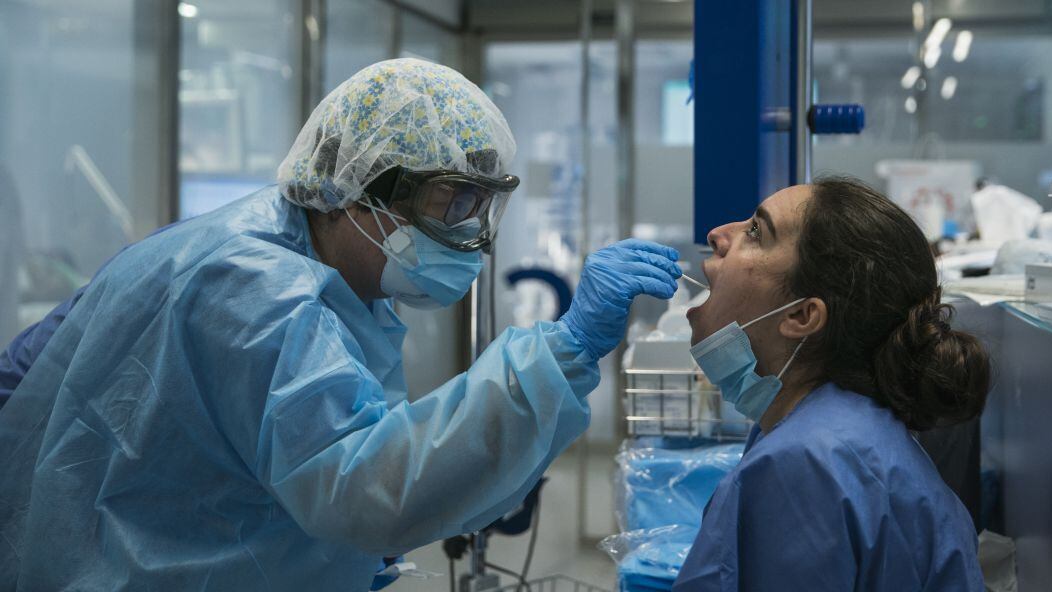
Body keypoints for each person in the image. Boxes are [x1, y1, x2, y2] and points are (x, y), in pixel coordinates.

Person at [0, 58, 683, 590]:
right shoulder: (254, 288)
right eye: (453, 202)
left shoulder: (336, 278)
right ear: (355, 188)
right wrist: (566, 348)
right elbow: (365, 489)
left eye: (483, 206)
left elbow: (320, 454)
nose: (471, 233)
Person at [674, 177, 990, 591]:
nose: (718, 235)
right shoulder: (833, 433)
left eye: (756, 232)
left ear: (803, 316)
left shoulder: (805, 465)